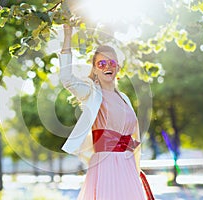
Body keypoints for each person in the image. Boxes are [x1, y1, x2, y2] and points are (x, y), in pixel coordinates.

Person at [59, 24, 154, 200]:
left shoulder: (124, 98)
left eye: (111, 63)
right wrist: (67, 35)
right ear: (94, 69)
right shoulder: (92, 93)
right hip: (106, 165)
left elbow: (134, 138)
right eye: (101, 63)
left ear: (117, 68)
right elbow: (66, 79)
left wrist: (137, 168)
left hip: (128, 167)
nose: (106, 67)